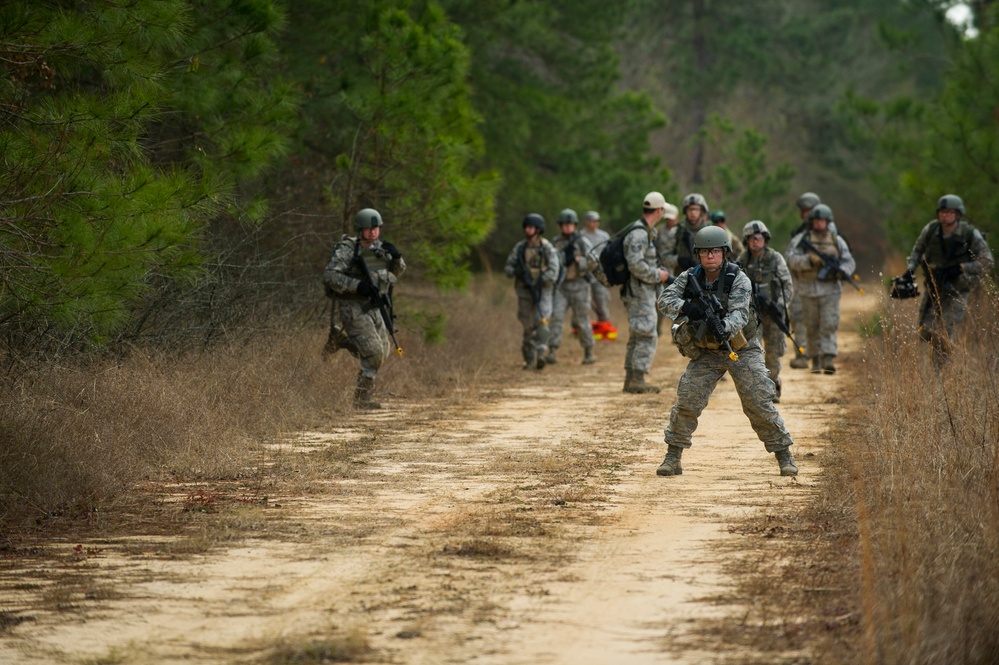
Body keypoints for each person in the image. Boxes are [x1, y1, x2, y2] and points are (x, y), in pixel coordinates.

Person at [656, 226, 798, 477]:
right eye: (704, 252)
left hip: (741, 348)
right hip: (707, 351)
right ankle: (673, 456)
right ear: (697, 255)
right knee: (688, 400)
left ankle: (784, 454)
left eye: (715, 251)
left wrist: (723, 326)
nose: (710, 256)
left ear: (725, 253)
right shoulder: (689, 277)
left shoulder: (738, 278)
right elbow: (665, 300)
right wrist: (689, 307)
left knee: (758, 403)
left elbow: (741, 314)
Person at [323, 208, 406, 409]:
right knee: (374, 353)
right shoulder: (348, 249)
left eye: (375, 228)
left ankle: (341, 340)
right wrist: (357, 285)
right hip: (353, 306)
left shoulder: (380, 248)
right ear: (360, 229)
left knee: (384, 350)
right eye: (368, 229)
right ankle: (361, 399)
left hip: (374, 305)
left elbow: (395, 274)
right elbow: (330, 276)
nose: (373, 233)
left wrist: (396, 258)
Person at [903, 194, 994, 365]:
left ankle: (940, 371)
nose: (944, 215)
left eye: (949, 212)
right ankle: (945, 356)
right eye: (942, 212)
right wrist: (909, 270)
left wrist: (961, 268)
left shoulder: (969, 234)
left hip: (957, 290)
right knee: (924, 331)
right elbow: (917, 250)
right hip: (934, 287)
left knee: (943, 331)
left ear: (958, 214)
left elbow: (987, 261)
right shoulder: (931, 230)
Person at [785, 203, 855, 374]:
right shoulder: (802, 240)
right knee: (811, 325)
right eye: (815, 221)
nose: (818, 224)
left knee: (829, 323)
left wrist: (841, 272)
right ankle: (815, 358)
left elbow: (849, 261)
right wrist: (809, 261)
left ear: (827, 221)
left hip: (830, 289)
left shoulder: (836, 240)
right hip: (807, 290)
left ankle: (828, 357)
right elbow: (790, 258)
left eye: (821, 221)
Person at [737, 220, 794, 402]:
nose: (755, 242)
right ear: (746, 241)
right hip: (753, 315)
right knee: (753, 351)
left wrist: (781, 304)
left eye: (758, 238)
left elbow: (787, 284)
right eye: (751, 239)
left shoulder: (775, 258)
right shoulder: (742, 261)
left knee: (774, 351)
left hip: (774, 313)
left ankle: (773, 382)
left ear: (765, 239)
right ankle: (761, 389)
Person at [621, 192, 672, 393]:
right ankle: (637, 378)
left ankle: (631, 377)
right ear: (658, 210)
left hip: (643, 290)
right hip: (639, 292)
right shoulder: (639, 233)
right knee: (646, 333)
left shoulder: (646, 231)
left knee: (638, 333)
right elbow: (635, 265)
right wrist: (657, 275)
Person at [504, 213, 560, 370]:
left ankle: (541, 352)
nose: (528, 230)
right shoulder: (520, 248)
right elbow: (507, 268)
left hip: (543, 290)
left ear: (538, 229)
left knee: (542, 321)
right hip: (524, 291)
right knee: (527, 326)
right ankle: (529, 359)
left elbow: (554, 271)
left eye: (531, 227)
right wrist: (517, 272)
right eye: (527, 227)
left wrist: (539, 280)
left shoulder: (547, 247)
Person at [548, 208, 597, 364]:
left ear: (575, 225)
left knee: (582, 320)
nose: (568, 227)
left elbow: (593, 261)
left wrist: (578, 261)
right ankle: (552, 350)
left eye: (570, 224)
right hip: (561, 286)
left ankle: (588, 351)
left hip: (580, 285)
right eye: (565, 225)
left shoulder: (582, 242)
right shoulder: (555, 243)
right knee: (556, 317)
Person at [580, 210, 613, 325]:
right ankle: (583, 325)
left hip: (600, 273)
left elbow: (609, 254)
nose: (594, 223)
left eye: (596, 221)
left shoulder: (604, 236)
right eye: (591, 221)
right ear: (586, 222)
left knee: (601, 299)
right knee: (584, 301)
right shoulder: (580, 236)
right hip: (585, 275)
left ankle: (604, 322)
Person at [666, 193, 711, 273]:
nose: (693, 212)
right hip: (681, 278)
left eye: (696, 209)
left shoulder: (710, 231)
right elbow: (665, 258)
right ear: (685, 211)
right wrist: (678, 260)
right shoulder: (677, 231)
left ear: (702, 211)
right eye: (690, 209)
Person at [655, 202, 680, 337]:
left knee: (675, 302)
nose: (669, 220)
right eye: (667, 218)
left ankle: (675, 331)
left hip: (675, 271)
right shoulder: (659, 230)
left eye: (671, 218)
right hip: (660, 269)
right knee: (659, 300)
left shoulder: (680, 232)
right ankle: (657, 328)